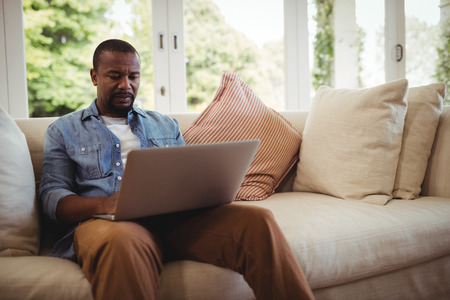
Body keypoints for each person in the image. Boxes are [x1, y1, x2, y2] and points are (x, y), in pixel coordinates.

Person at [39, 39, 315, 300]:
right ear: (94, 76)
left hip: (174, 222)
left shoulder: (165, 125)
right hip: (107, 227)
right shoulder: (64, 130)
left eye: (133, 76)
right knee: (124, 240)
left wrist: (206, 192)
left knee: (257, 221)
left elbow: (187, 176)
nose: (126, 85)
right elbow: (52, 198)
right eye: (115, 76)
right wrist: (107, 203)